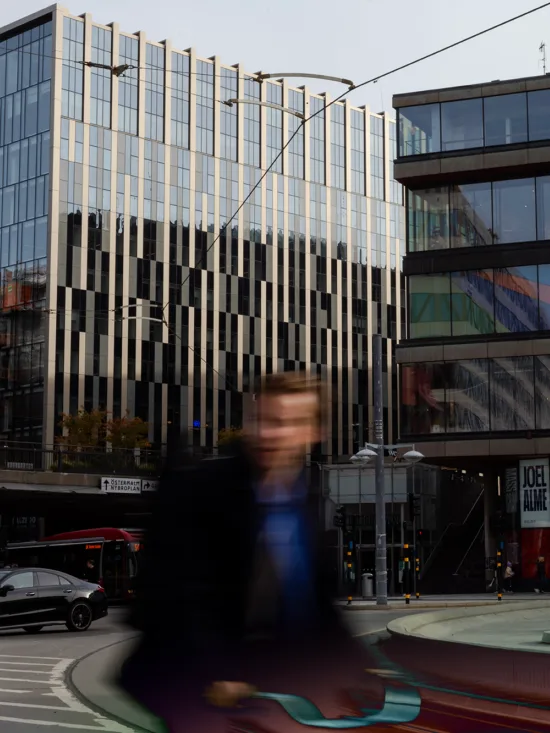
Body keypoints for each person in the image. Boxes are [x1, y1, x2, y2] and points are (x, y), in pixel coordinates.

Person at [119, 372, 368, 733]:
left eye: (284, 423)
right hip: (200, 696)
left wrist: (365, 671)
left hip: (280, 697)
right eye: (261, 419)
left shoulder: (305, 503)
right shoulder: (200, 488)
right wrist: (217, 672)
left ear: (314, 432)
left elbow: (320, 610)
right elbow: (180, 595)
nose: (268, 434)